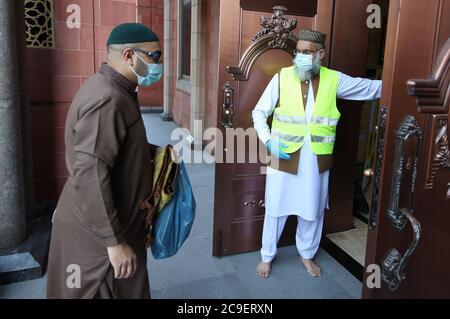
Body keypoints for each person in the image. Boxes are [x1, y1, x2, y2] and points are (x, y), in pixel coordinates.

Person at [252, 29, 382, 278]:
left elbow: (368, 88)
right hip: (283, 155)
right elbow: (259, 112)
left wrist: (401, 84)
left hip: (316, 159)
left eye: (307, 52)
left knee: (312, 210)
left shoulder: (335, 80)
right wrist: (268, 141)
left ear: (321, 54)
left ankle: (306, 255)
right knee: (276, 208)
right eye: (298, 51)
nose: (301, 56)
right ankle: (267, 256)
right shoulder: (282, 76)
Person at [46, 23, 163, 298]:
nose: (159, 65)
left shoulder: (118, 90)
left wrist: (154, 154)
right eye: (155, 57)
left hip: (114, 221)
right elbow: (90, 173)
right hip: (98, 235)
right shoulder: (107, 98)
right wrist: (113, 243)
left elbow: (115, 148)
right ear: (128, 56)